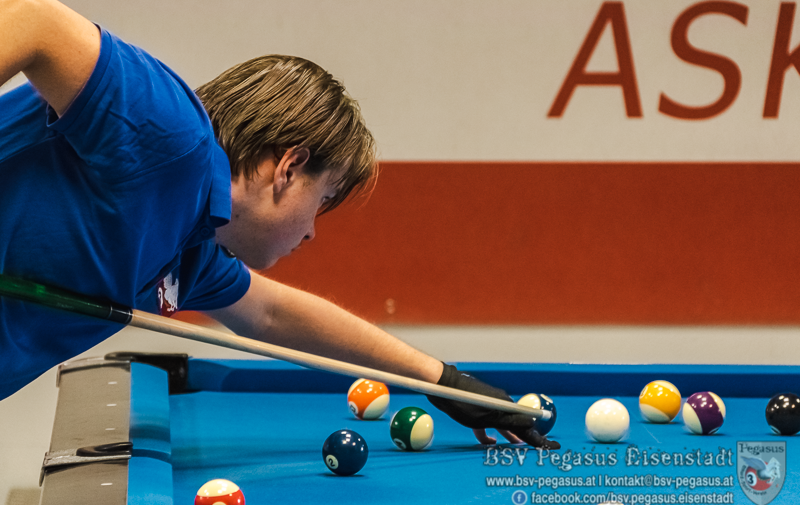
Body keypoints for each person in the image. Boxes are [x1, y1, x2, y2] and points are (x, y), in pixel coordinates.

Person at [0, 0, 558, 449]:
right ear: (290, 168)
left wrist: (441, 380)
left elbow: (272, 314)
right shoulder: (171, 136)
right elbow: (35, 20)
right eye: (324, 199)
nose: (312, 231)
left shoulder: (191, 248)